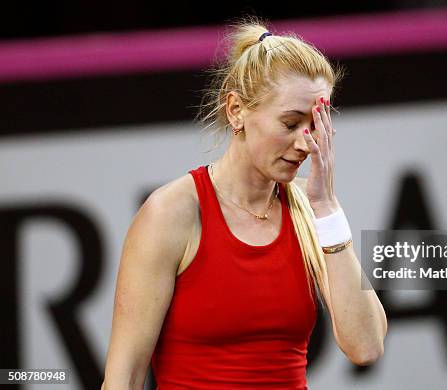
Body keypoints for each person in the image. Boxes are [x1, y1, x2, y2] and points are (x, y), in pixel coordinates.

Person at [101, 17, 387, 389]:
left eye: (316, 125)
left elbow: (365, 347)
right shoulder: (171, 213)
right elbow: (123, 378)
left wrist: (328, 208)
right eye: (290, 123)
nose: (305, 143)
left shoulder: (311, 210)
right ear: (236, 110)